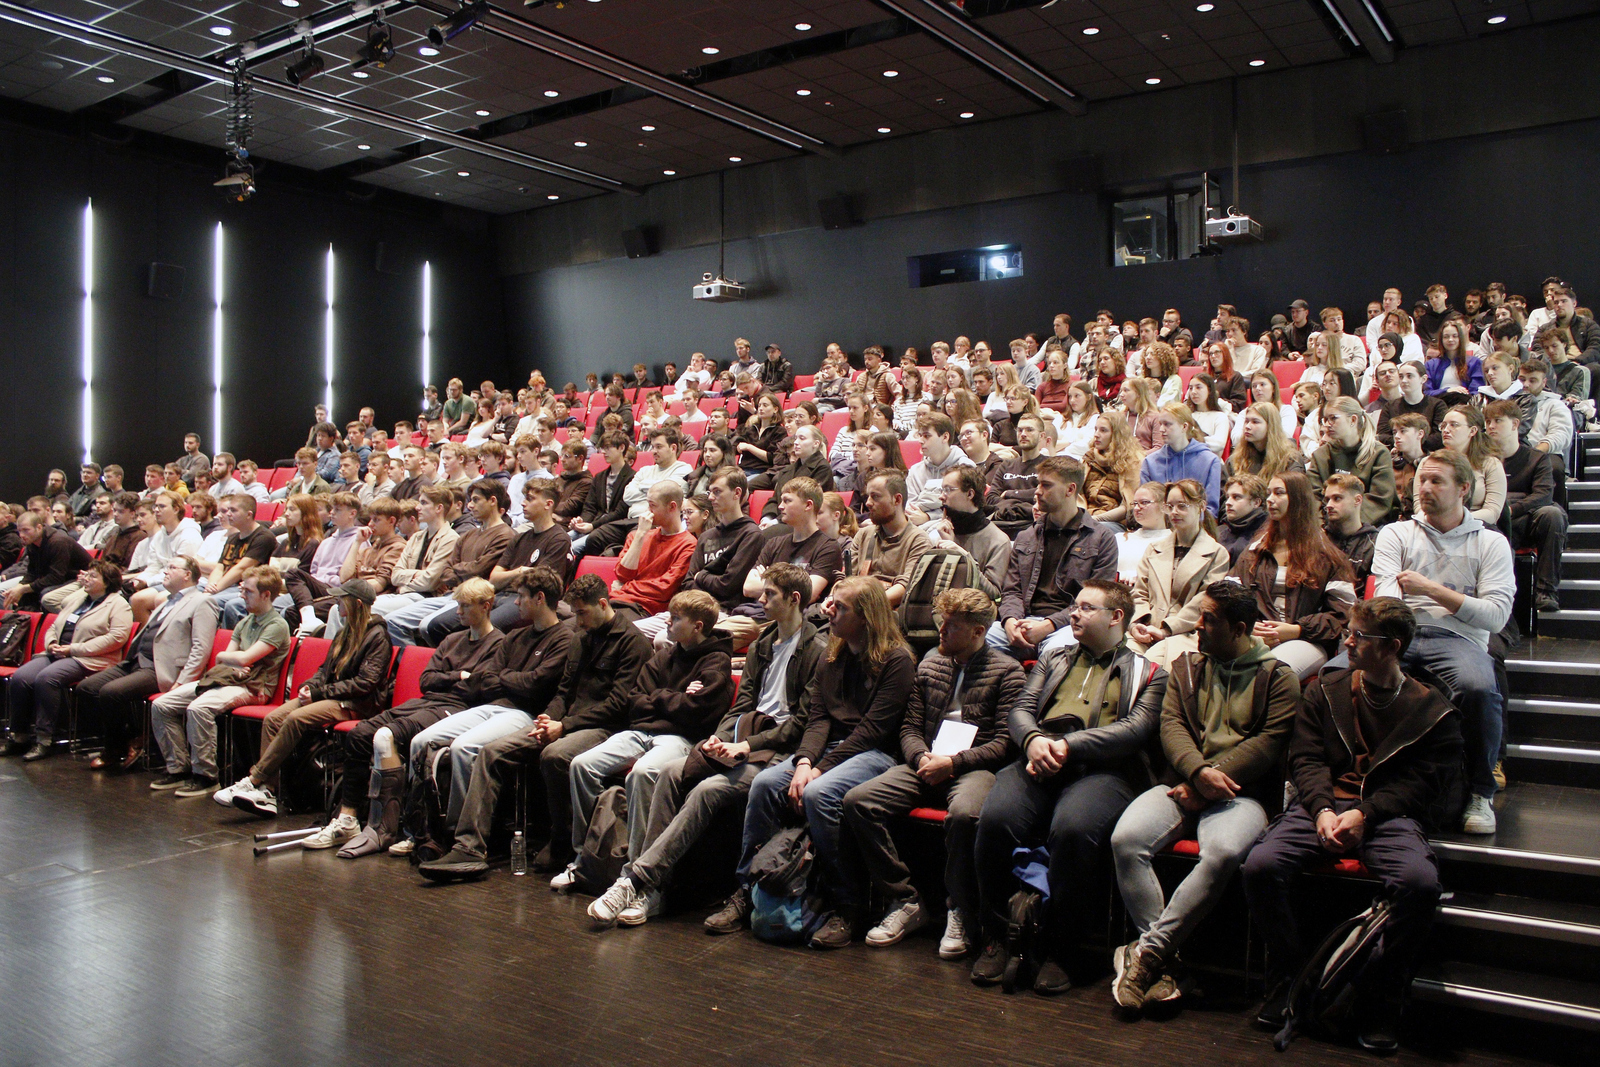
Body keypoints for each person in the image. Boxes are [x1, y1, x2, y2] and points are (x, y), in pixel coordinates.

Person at [1243, 597, 1462, 1053]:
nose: (1347, 642)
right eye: (1349, 633)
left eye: (1359, 636)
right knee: (1260, 866)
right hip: (1322, 807)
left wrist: (1367, 813)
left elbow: (1424, 784)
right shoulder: (1326, 689)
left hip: (1387, 814)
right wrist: (1323, 809)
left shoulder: (1432, 709)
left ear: (1392, 646)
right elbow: (1305, 758)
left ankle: (1381, 999)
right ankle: (1291, 980)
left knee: (1420, 885)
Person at [588, 564, 825, 926]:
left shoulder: (816, 650)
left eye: (769, 594)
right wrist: (722, 737)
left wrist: (746, 746)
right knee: (668, 773)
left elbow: (801, 723)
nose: (761, 600)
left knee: (706, 790)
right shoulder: (762, 644)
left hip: (779, 752)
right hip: (744, 740)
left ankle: (636, 880)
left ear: (794, 600)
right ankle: (654, 891)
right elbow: (741, 705)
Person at [1110, 580, 1299, 1010]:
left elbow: (1268, 744)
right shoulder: (1186, 667)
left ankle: (1146, 954)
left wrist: (1208, 783)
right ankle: (1165, 962)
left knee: (1223, 853)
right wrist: (1197, 773)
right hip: (1182, 782)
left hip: (1242, 793)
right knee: (1126, 840)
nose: (1197, 626)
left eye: (1209, 620)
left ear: (1240, 628)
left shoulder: (1279, 678)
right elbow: (1172, 726)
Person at [971, 580, 1167, 988]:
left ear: (1116, 617)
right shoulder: (1054, 657)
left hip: (1105, 769)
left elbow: (1134, 731)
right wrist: (1033, 740)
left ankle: (1062, 946)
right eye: (1075, 606)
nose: (1074, 613)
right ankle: (999, 935)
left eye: (1086, 608)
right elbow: (1021, 709)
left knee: (1075, 829)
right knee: (996, 819)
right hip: (1040, 756)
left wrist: (1067, 746)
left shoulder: (1150, 673)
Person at [704, 577, 916, 948]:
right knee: (765, 784)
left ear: (866, 617)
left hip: (874, 754)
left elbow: (872, 731)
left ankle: (847, 905)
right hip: (828, 749)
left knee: (819, 794)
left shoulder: (896, 660)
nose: (828, 610)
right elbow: (818, 719)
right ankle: (749, 888)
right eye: (831, 602)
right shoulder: (832, 654)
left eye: (840, 607)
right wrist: (804, 762)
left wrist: (816, 769)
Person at [842, 588, 1024, 952]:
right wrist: (921, 757)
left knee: (964, 814)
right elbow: (909, 727)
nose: (941, 630)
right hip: (927, 760)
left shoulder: (1008, 672)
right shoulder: (929, 665)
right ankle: (906, 900)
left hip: (974, 767)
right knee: (858, 801)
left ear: (978, 632)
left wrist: (954, 763)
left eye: (952, 626)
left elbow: (1004, 744)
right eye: (942, 622)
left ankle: (959, 909)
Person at [299, 578, 507, 856]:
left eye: (465, 606)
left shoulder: (499, 644)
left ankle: (390, 827)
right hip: (427, 702)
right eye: (457, 605)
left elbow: (477, 688)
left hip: (459, 710)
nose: (458, 611)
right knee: (360, 734)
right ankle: (348, 819)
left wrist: (447, 679)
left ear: (486, 606)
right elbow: (426, 680)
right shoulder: (451, 640)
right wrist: (457, 675)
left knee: (386, 736)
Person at [547, 590, 734, 896]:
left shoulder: (717, 660)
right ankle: (586, 857)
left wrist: (657, 698)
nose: (668, 623)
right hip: (640, 731)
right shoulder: (664, 655)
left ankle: (634, 872)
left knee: (643, 772)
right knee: (581, 765)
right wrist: (675, 698)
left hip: (681, 737)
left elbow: (699, 710)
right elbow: (635, 701)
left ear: (697, 626)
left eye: (675, 619)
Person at [1372, 450, 1513, 835]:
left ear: (1464, 489)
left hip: (1458, 637)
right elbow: (1387, 601)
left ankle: (1481, 792)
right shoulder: (1396, 533)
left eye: (1437, 481)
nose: (1425, 488)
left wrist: (1430, 589)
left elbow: (1495, 617)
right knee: (1334, 676)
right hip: (1400, 633)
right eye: (1422, 479)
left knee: (1478, 687)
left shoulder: (1491, 543)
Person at [226, 580, 394, 819]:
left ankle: (255, 779)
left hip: (357, 704)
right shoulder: (344, 632)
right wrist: (309, 686)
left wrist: (318, 693)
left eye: (342, 598)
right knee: (273, 719)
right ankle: (268, 792)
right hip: (332, 695)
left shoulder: (378, 637)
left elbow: (365, 684)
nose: (337, 603)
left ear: (357, 604)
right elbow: (324, 670)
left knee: (295, 718)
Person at [148, 566, 291, 794]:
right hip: (228, 680)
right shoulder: (246, 621)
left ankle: (206, 776)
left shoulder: (277, 625)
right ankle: (178, 769)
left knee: (199, 708)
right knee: (162, 705)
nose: (242, 595)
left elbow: (243, 658)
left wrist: (233, 658)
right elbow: (226, 657)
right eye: (242, 590)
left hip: (254, 688)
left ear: (266, 595)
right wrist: (232, 659)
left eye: (248, 592)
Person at [77, 554, 217, 773]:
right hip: (135, 661)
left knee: (110, 693)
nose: (166, 571)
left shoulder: (202, 601)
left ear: (187, 575)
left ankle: (114, 749)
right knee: (86, 688)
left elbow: (201, 647)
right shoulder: (167, 600)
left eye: (172, 567)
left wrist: (183, 681)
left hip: (161, 668)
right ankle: (134, 737)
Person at [414, 480, 574, 646]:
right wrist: (521, 571)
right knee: (437, 625)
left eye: (530, 499)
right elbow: (494, 579)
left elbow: (540, 585)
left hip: (527, 600)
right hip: (499, 595)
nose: (523, 503)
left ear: (548, 504)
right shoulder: (520, 538)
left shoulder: (558, 539)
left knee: (483, 628)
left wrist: (508, 575)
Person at [1230, 472, 1356, 680]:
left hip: (1307, 640)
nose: (1270, 499)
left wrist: (1296, 630)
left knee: (1268, 672)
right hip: (1256, 635)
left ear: (1298, 499)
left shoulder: (1326, 555)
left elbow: (1342, 615)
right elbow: (1229, 597)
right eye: (1269, 493)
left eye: (1279, 493)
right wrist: (1249, 627)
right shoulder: (1255, 550)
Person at [989, 456, 1119, 659]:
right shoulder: (1026, 536)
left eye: (1046, 485)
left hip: (1070, 625)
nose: (1037, 491)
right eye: (1038, 484)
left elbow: (1096, 601)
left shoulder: (1102, 538)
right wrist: (1010, 622)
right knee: (974, 640)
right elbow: (1012, 590)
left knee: (1057, 653)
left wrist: (1048, 625)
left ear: (1070, 489)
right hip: (1023, 621)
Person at [3, 560, 131, 761]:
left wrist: (73, 649)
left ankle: (44, 739)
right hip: (58, 652)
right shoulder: (79, 600)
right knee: (21, 677)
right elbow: (55, 625)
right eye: (86, 575)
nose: (86, 579)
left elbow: (117, 638)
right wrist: (51, 643)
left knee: (47, 678)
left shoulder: (119, 604)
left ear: (107, 582)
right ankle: (19, 736)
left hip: (88, 658)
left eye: (93, 576)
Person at [382, 480, 514, 646]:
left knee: (427, 625)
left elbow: (478, 570)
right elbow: (446, 573)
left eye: (476, 500)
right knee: (392, 619)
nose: (470, 506)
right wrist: (464, 571)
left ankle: (433, 660)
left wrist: (459, 570)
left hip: (474, 599)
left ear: (492, 501)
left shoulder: (505, 535)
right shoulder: (469, 535)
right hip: (451, 595)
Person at [1129, 480, 1232, 666]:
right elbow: (1140, 593)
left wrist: (1167, 630)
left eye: (1182, 506)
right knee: (1119, 658)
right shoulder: (1154, 549)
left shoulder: (1217, 553)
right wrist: (1137, 623)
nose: (1174, 512)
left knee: (1150, 665)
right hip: (1147, 629)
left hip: (1187, 633)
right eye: (1170, 506)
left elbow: (1204, 601)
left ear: (1201, 506)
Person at [1487, 400, 1567, 613]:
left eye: (1497, 421)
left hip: (1522, 520)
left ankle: (1546, 591)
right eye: (1487, 421)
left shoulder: (1537, 458)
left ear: (1515, 424)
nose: (1491, 426)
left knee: (1552, 514)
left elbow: (1543, 496)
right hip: (1492, 521)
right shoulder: (1482, 459)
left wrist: (1511, 508)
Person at [922, 465, 1011, 599]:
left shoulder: (998, 540)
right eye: (942, 490)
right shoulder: (939, 533)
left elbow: (993, 593)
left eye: (948, 490)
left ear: (970, 494)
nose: (941, 497)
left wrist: (961, 556)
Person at [850, 472, 932, 611]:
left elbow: (906, 587)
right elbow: (847, 577)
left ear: (897, 500)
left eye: (875, 496)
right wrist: (832, 598)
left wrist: (864, 606)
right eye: (868, 496)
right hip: (858, 606)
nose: (868, 503)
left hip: (888, 612)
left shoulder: (919, 540)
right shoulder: (863, 534)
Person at [1308, 397, 1397, 526]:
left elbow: (1379, 500)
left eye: (1333, 418)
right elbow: (1313, 498)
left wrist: (1348, 525)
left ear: (1353, 420)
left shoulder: (1379, 453)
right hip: (1329, 525)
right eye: (1325, 419)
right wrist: (1322, 527)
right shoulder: (1321, 455)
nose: (1327, 424)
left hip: (1368, 526)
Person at [1139, 404, 1224, 516]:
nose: (1161, 429)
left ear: (1184, 427)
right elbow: (1145, 504)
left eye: (1167, 424)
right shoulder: (1150, 462)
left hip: (1196, 524)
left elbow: (1211, 509)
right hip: (1159, 523)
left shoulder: (1210, 461)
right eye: (1160, 424)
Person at [1435, 404, 1507, 526]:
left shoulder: (1491, 464)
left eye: (1454, 425)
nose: (1446, 430)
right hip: (1434, 526)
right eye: (1443, 425)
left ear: (1472, 431)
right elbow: (1420, 507)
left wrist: (1455, 521)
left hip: (1476, 526)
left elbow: (1492, 512)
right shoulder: (1429, 463)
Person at [903, 413, 975, 524]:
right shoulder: (915, 471)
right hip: (917, 526)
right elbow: (910, 508)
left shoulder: (965, 467)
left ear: (945, 437)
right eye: (920, 435)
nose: (920, 441)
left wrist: (928, 516)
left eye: (927, 436)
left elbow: (967, 509)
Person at [988, 414, 1047, 534]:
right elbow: (991, 499)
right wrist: (1023, 505)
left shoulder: (1049, 465)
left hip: (1035, 525)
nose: (1023, 434)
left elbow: (1045, 495)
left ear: (1041, 436)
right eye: (1020, 430)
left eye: (1029, 430)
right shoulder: (1006, 465)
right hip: (1002, 525)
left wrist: (1009, 494)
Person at [1322, 472, 1379, 596]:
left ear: (1357, 500)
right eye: (1327, 500)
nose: (1329, 505)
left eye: (1337, 498)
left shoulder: (1375, 544)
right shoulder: (1319, 540)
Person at [1425, 319, 1484, 401]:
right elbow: (1426, 392)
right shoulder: (1431, 365)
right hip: (1438, 405)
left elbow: (1476, 392)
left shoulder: (1475, 363)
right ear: (1441, 340)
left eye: (1455, 336)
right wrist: (1447, 391)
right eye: (1446, 337)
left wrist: (1459, 395)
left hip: (1465, 405)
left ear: (1460, 338)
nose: (1450, 340)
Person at [1218, 473, 1268, 564]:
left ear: (1256, 503)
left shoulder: (1266, 536)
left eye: (1236, 497)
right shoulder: (1218, 532)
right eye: (1228, 497)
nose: (1228, 502)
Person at [1184, 374, 1231, 455]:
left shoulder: (1220, 416)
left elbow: (1219, 444)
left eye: (1198, 387)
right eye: (1191, 388)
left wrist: (1194, 439)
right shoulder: (1187, 415)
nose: (1193, 392)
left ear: (1209, 390)